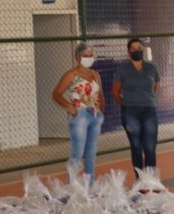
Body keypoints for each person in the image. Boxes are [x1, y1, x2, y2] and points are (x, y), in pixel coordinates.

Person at [52, 43, 105, 182]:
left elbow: (100, 95)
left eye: (90, 55)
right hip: (80, 114)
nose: (88, 58)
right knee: (78, 153)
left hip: (95, 114)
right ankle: (72, 184)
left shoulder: (95, 74)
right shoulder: (71, 75)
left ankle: (89, 184)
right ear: (77, 57)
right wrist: (69, 106)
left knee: (91, 153)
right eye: (85, 56)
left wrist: (101, 112)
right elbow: (56, 94)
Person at [112, 38, 161, 176]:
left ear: (143, 49)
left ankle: (150, 179)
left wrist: (146, 98)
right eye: (133, 48)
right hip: (130, 112)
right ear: (129, 52)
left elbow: (156, 86)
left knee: (150, 147)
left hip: (149, 110)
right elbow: (115, 92)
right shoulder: (122, 70)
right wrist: (126, 105)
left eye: (139, 48)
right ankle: (139, 179)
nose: (137, 50)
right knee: (136, 146)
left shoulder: (151, 68)